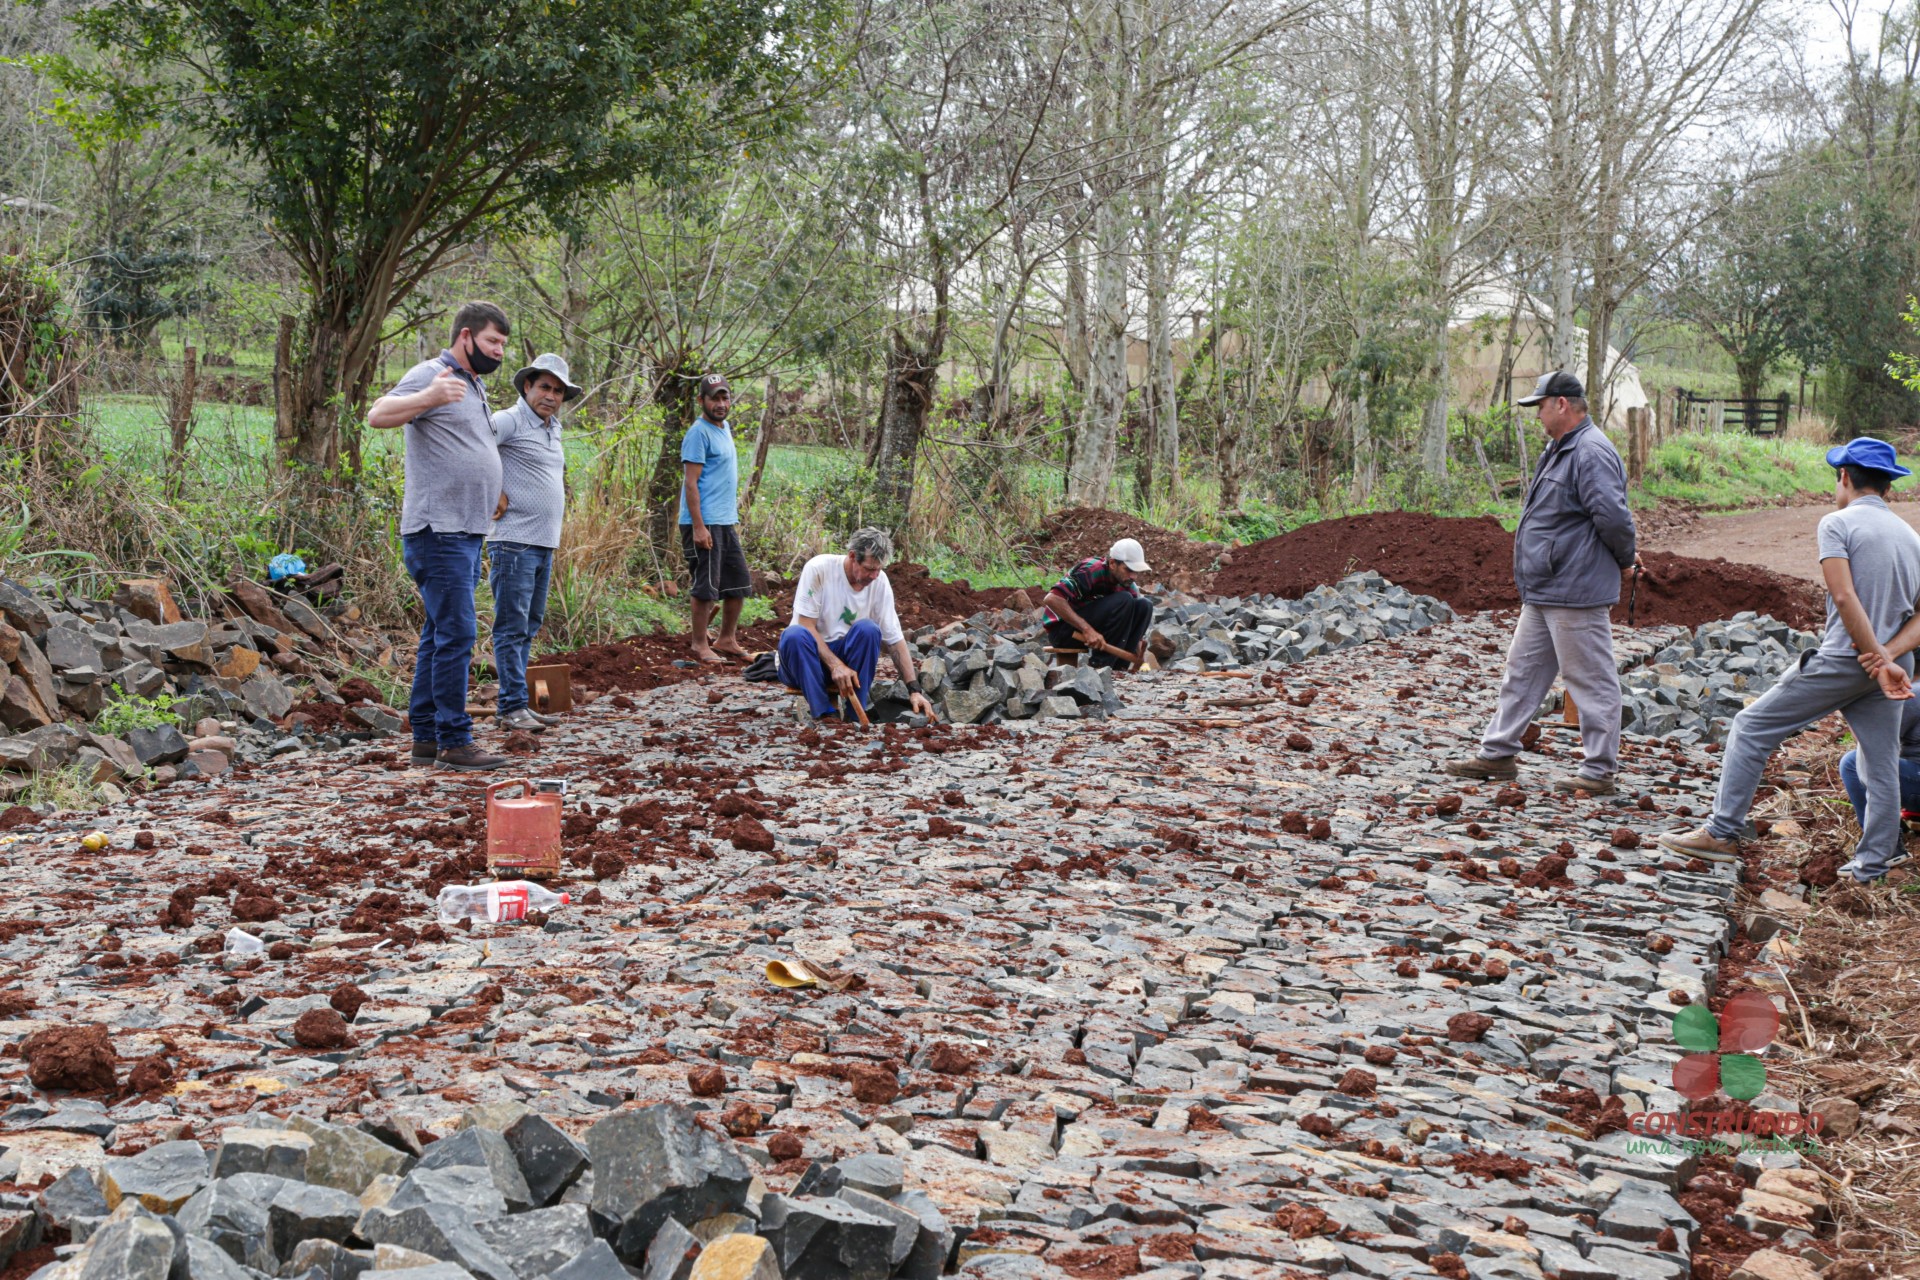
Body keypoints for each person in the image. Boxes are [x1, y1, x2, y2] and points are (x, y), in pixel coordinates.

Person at [1662, 439, 1920, 882]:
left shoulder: (1836, 524)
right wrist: (1889, 658)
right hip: (1892, 668)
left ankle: (1722, 833)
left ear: (1844, 477)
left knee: (1752, 726)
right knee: (1878, 761)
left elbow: (1843, 595)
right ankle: (1875, 862)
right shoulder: (1913, 538)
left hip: (1846, 659)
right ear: (1889, 487)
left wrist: (1873, 658)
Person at [1443, 370, 1640, 794]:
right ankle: (1497, 754)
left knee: (1590, 678)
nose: (1537, 416)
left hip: (1575, 585)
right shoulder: (1560, 447)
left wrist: (1625, 560)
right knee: (1523, 671)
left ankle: (1599, 771)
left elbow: (1613, 517)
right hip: (1548, 586)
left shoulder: (1590, 451)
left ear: (1562, 404)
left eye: (1540, 407)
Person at [367, 301, 512, 773]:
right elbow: (378, 414)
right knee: (457, 633)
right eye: (493, 342)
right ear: (466, 336)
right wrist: (428, 397)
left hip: (468, 529)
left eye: (504, 345)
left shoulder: (475, 385)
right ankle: (455, 740)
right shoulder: (433, 374)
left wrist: (494, 487)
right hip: (439, 530)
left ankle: (426, 739)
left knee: (438, 634)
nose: (499, 352)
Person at [489, 353, 581, 733]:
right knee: (510, 627)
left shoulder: (552, 427)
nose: (551, 395)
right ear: (527, 386)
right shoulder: (507, 419)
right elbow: (473, 446)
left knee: (529, 624)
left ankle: (517, 705)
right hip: (513, 541)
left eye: (558, 390)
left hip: (543, 543)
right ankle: (511, 707)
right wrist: (492, 490)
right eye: (544, 386)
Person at [777, 527, 937, 722]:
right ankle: (826, 716)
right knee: (795, 634)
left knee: (869, 630)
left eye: (879, 569)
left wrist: (914, 690)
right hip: (804, 663)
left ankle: (855, 716)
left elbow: (894, 640)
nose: (874, 576)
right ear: (852, 556)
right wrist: (836, 665)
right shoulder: (819, 568)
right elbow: (806, 624)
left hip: (848, 666)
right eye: (869, 569)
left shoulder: (880, 582)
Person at [680, 373, 752, 663]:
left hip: (724, 520)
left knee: (738, 583)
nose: (721, 403)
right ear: (702, 401)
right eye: (715, 398)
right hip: (704, 521)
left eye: (725, 397)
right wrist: (698, 526)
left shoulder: (725, 427)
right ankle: (699, 644)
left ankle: (726, 639)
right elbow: (690, 482)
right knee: (706, 586)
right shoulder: (698, 433)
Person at [1042, 538, 1156, 670]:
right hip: (1064, 631)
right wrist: (1087, 630)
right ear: (1113, 563)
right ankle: (1101, 666)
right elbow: (1052, 598)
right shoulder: (1091, 570)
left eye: (1136, 572)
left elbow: (1134, 618)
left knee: (1144, 605)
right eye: (1129, 570)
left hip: (1096, 631)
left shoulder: (1127, 584)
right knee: (1124, 599)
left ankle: (1119, 668)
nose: (1133, 576)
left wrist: (1135, 641)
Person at [1838, 698, 1920, 830]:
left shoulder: (1912, 696)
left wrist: (1849, 707)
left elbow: (1869, 740)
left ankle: (1881, 839)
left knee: (1852, 763)